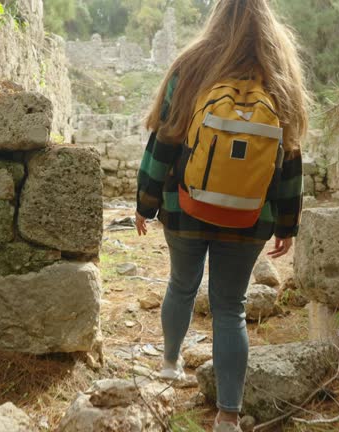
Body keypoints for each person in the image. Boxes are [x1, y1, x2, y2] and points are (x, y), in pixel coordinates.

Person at [134, 0, 309, 430]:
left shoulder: (192, 65)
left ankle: (171, 364)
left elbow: (164, 142)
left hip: (184, 205)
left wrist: (146, 202)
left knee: (180, 283)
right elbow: (290, 158)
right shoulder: (279, 72)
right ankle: (228, 415)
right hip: (251, 215)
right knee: (230, 307)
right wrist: (287, 222)